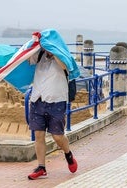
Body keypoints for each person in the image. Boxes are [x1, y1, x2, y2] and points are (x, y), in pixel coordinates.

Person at [27, 49, 78, 180]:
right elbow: (27, 60)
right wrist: (32, 47)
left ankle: (68, 154)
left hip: (57, 101)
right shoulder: (39, 55)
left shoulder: (63, 56)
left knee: (58, 137)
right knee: (38, 135)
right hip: (37, 99)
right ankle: (41, 167)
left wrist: (55, 52)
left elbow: (65, 67)